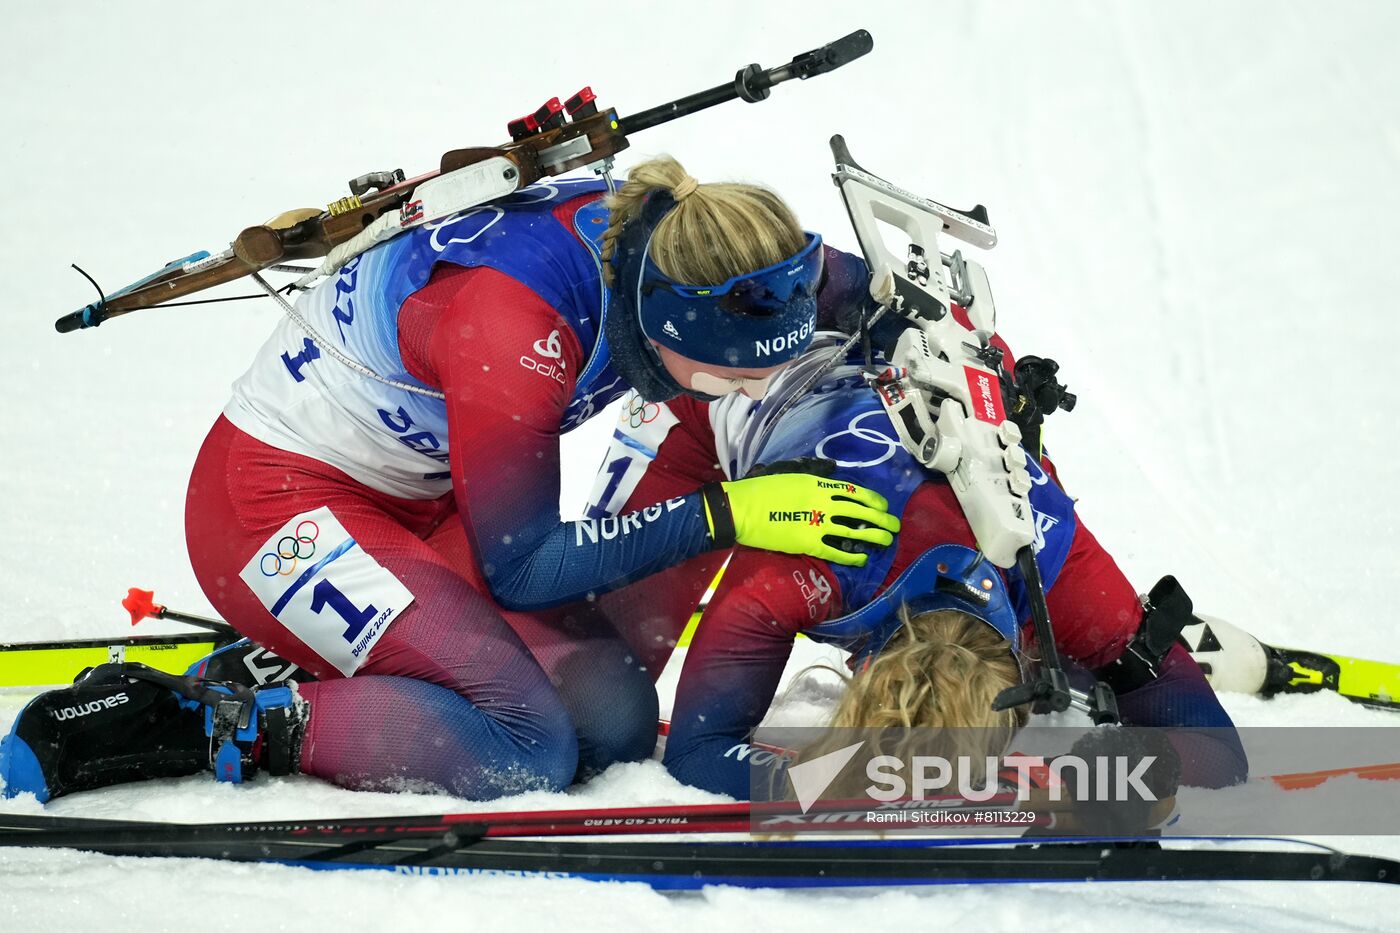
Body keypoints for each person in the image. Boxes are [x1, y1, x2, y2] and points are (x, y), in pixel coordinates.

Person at [0, 158, 902, 804]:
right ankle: (203, 718)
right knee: (527, 747)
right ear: (663, 313)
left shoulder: (698, 239)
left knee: (615, 720)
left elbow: (867, 294)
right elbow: (524, 564)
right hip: (273, 505)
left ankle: (322, 655)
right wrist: (730, 510)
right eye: (729, 371)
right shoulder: (514, 329)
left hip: (423, 509)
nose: (747, 388)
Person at [583, 333, 1249, 801]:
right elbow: (696, 754)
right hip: (711, 387)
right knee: (598, 716)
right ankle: (1102, 654)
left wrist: (1100, 773)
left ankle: (1093, 654)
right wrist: (837, 781)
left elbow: (1219, 761)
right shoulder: (803, 563)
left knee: (1097, 626)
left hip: (936, 371)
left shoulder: (1057, 565)